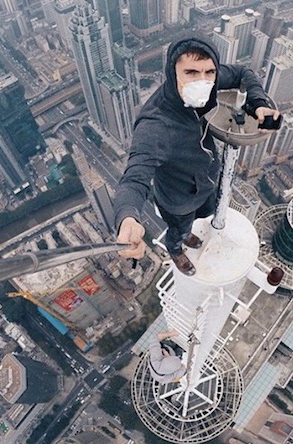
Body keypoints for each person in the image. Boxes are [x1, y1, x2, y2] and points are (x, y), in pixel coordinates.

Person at [114, 35, 280, 276]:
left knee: (204, 214)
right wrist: (128, 218)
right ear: (173, 74)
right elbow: (133, 179)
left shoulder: (209, 81)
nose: (202, 81)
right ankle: (176, 249)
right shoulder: (156, 125)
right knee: (179, 229)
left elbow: (244, 73)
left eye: (209, 72)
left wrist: (258, 103)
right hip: (178, 198)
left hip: (206, 181)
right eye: (190, 73)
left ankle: (187, 232)